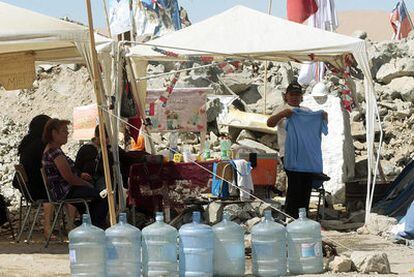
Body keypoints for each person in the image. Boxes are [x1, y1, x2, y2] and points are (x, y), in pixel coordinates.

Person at [267, 81, 328, 218]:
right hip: (289, 154)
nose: (294, 97)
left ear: (302, 97)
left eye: (297, 94)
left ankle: (303, 215)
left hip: (306, 156)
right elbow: (269, 123)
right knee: (295, 184)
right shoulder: (283, 109)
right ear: (286, 96)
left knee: (306, 185)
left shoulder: (307, 112)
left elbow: (319, 127)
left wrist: (323, 118)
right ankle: (291, 215)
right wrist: (283, 114)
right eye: (292, 94)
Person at [42, 119, 108, 229]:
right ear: (54, 133)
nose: (67, 133)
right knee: (101, 196)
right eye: (64, 131)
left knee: (91, 201)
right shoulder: (54, 152)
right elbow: (69, 177)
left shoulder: (53, 150)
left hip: (64, 190)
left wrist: (80, 176)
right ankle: (96, 227)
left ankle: (89, 226)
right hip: (65, 191)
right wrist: (86, 184)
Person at [13, 114, 55, 238]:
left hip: (27, 188)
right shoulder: (41, 145)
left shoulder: (28, 143)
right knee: (58, 192)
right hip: (37, 188)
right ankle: (51, 227)